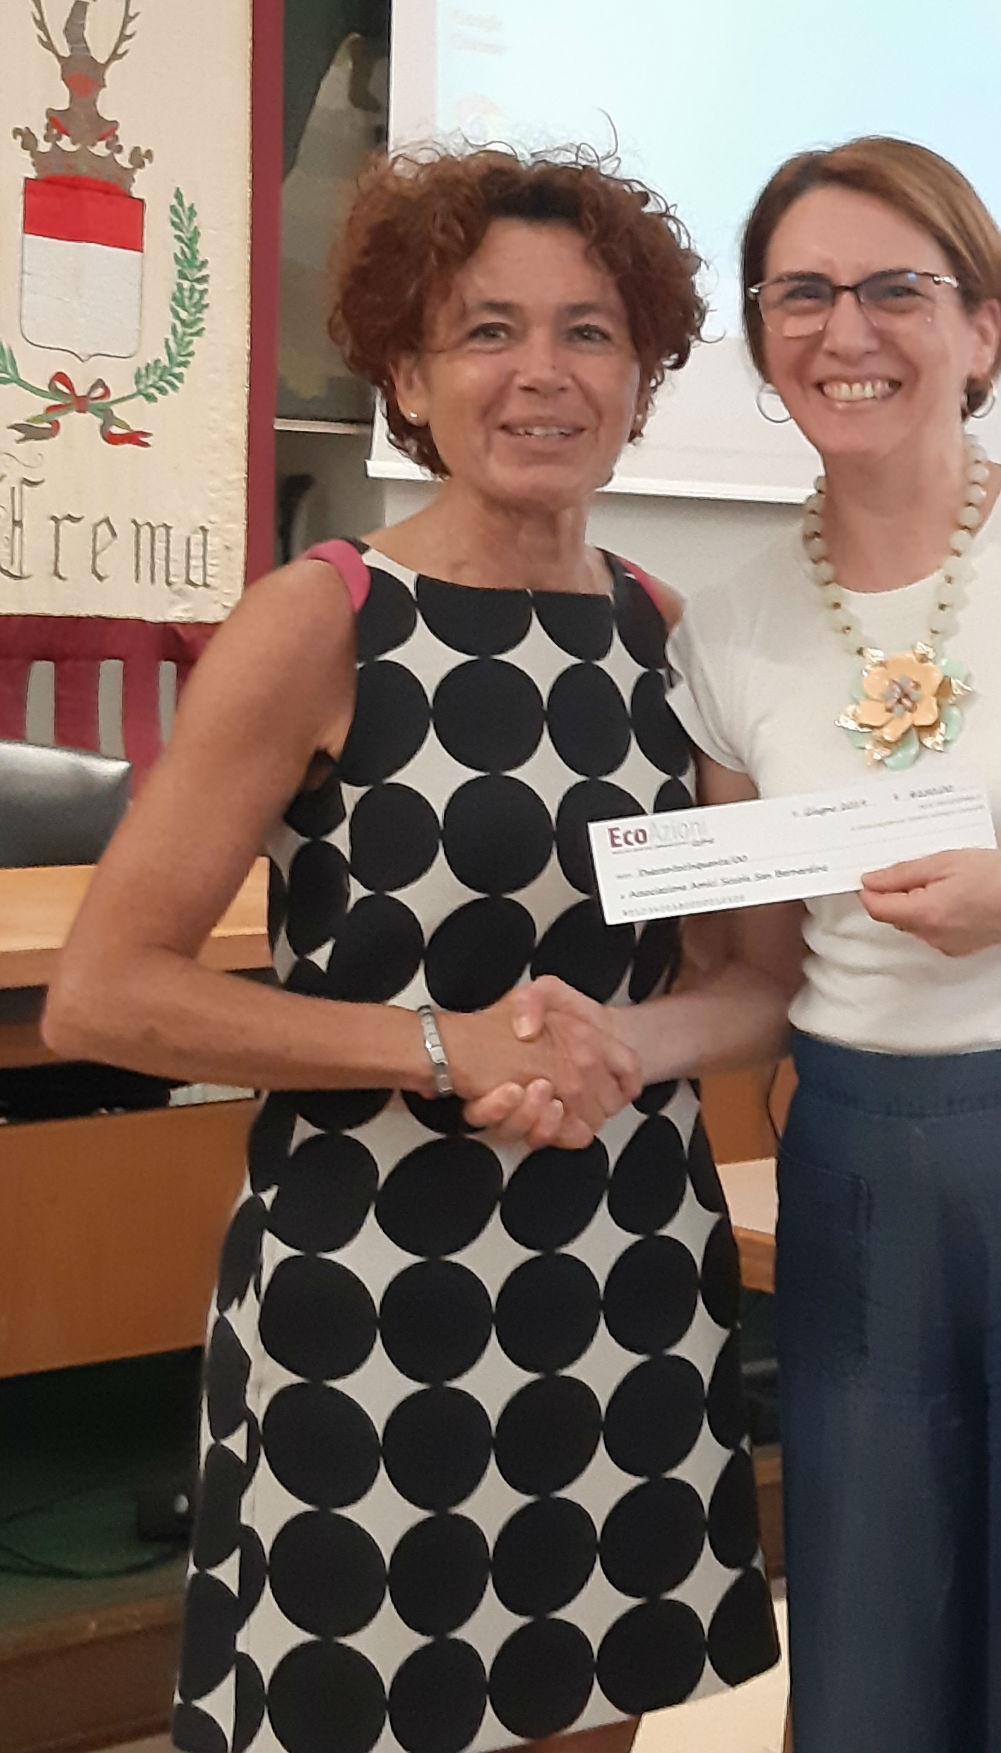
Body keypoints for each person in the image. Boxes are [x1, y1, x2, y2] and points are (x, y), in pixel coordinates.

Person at [495, 135, 1001, 1753]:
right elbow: (753, 975)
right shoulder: (726, 625)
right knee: (879, 1626)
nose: (844, 330)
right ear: (761, 333)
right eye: (801, 293)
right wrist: (613, 1039)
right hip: (862, 1164)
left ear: (982, 325)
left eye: (894, 289)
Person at [43, 145, 781, 1753]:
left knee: (592, 1696)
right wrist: (444, 1047)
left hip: (624, 1263)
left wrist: (621, 1045)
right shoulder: (325, 617)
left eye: (589, 332)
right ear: (406, 374)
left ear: (642, 373)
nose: (542, 373)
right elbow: (105, 993)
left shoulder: (669, 633)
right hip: (375, 1274)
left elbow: (753, 981)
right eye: (486, 330)